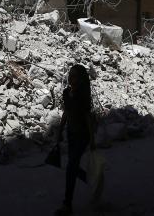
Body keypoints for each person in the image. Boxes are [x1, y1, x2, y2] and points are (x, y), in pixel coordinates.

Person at [55, 64, 95, 216]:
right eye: (69, 75)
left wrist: (92, 140)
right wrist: (60, 131)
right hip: (71, 134)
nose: (70, 78)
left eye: (74, 76)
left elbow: (88, 118)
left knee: (71, 167)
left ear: (80, 79)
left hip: (82, 136)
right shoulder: (66, 93)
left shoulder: (82, 96)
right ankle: (91, 179)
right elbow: (66, 112)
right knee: (73, 165)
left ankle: (67, 205)